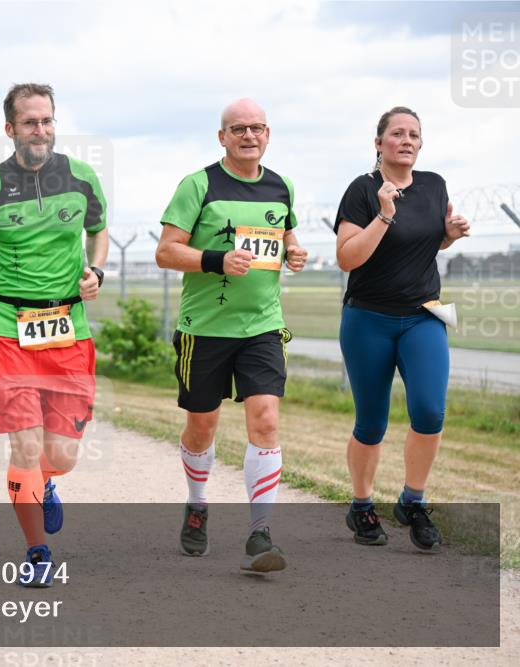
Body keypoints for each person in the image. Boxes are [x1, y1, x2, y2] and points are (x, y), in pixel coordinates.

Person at [0, 84, 109, 586]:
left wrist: (97, 270)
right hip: (7, 330)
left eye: (46, 121)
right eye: (29, 123)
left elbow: (99, 228)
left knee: (60, 455)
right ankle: (37, 551)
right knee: (24, 447)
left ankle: (46, 483)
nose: (39, 130)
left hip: (68, 330)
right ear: (10, 129)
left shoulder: (82, 177)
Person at [155, 98, 308, 573]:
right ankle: (198, 504)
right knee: (202, 428)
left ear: (268, 134)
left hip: (261, 325)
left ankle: (259, 533)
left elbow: (284, 239)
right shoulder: (198, 184)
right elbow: (165, 251)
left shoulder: (281, 186)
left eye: (256, 128)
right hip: (204, 330)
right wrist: (216, 260)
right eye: (238, 129)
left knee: (265, 420)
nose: (248, 136)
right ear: (222, 137)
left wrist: (295, 252)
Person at [334, 106, 469, 552]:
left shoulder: (433, 185)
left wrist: (448, 233)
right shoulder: (362, 190)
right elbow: (348, 258)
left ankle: (412, 501)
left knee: (430, 411)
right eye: (397, 133)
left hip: (422, 315)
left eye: (414, 134)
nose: (407, 140)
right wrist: (384, 213)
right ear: (379, 143)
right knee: (371, 422)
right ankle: (362, 505)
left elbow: (427, 242)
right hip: (368, 319)